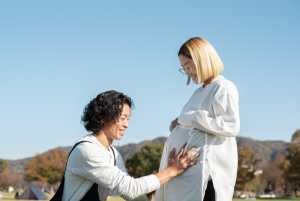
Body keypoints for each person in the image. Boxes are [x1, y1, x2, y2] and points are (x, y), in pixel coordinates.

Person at [62, 90, 200, 201]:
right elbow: (130, 188)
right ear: (103, 118)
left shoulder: (113, 154)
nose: (126, 125)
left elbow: (132, 195)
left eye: (128, 119)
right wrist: (171, 170)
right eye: (122, 118)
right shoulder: (87, 150)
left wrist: (170, 174)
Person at [154, 37, 240, 201]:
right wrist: (178, 124)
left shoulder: (223, 87)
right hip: (188, 176)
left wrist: (187, 118)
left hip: (205, 177)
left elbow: (230, 125)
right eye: (183, 68)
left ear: (203, 60)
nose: (187, 72)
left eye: (188, 66)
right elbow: (193, 121)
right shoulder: (200, 91)